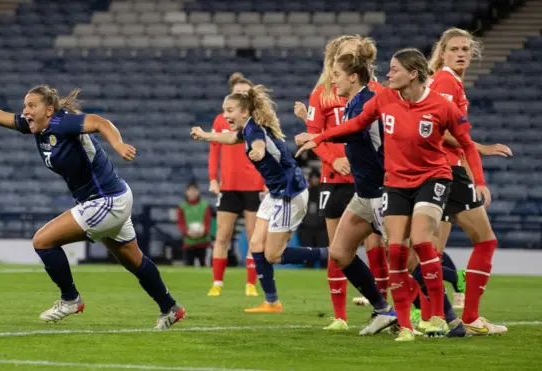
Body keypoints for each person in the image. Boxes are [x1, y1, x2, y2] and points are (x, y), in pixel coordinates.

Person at [0, 72, 185, 330]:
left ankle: (70, 298)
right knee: (132, 260)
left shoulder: (62, 123)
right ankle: (170, 308)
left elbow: (100, 122)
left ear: (49, 110)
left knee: (43, 241)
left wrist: (118, 144)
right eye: (24, 106)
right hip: (111, 198)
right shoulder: (38, 127)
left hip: (106, 200)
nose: (25, 111)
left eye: (31, 106)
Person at [295, 48, 487, 341]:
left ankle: (447, 317)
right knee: (339, 252)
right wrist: (320, 137)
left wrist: (319, 138)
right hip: (364, 192)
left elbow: (361, 132)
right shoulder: (359, 102)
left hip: (383, 189)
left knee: (408, 257)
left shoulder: (373, 101)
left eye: (337, 75)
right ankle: (385, 308)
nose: (332, 82)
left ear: (353, 76)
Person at [191, 86, 327, 313]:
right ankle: (272, 302)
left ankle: (330, 254)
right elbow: (231, 138)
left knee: (273, 254)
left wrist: (258, 151)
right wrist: (207, 135)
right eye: (224, 110)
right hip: (275, 194)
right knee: (255, 245)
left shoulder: (254, 132)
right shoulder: (248, 128)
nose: (225, 115)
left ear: (245, 112)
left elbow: (259, 143)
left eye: (230, 110)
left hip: (288, 194)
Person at [293, 35, 389, 331]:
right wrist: (333, 159)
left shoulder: (376, 92)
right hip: (334, 177)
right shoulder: (321, 93)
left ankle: (388, 308)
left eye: (356, 53)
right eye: (347, 52)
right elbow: (313, 134)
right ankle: (340, 316)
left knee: (381, 247)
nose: (352, 56)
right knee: (338, 246)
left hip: (371, 180)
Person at [419, 27, 510, 334]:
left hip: (435, 170)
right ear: (442, 52)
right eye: (455, 49)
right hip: (446, 171)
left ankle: (428, 317)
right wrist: (479, 149)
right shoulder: (445, 81)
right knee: (486, 240)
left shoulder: (445, 80)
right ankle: (470, 316)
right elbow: (437, 127)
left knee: (428, 247)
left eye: (466, 49)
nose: (461, 54)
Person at [207, 72, 265, 297]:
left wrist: (266, 182)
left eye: (244, 93)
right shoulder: (221, 120)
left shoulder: (257, 121)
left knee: (253, 237)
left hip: (253, 184)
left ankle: (250, 284)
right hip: (229, 185)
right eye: (238, 92)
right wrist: (213, 178)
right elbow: (214, 151)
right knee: (222, 235)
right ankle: (217, 283)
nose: (241, 95)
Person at [177, 181, 212, 267]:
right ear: (186, 192)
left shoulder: (205, 206)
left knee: (204, 266)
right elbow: (181, 223)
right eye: (190, 190)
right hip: (189, 243)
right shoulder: (182, 207)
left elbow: (208, 222)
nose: (192, 193)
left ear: (198, 192)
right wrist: (187, 233)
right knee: (188, 266)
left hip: (204, 243)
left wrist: (203, 232)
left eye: (194, 190)